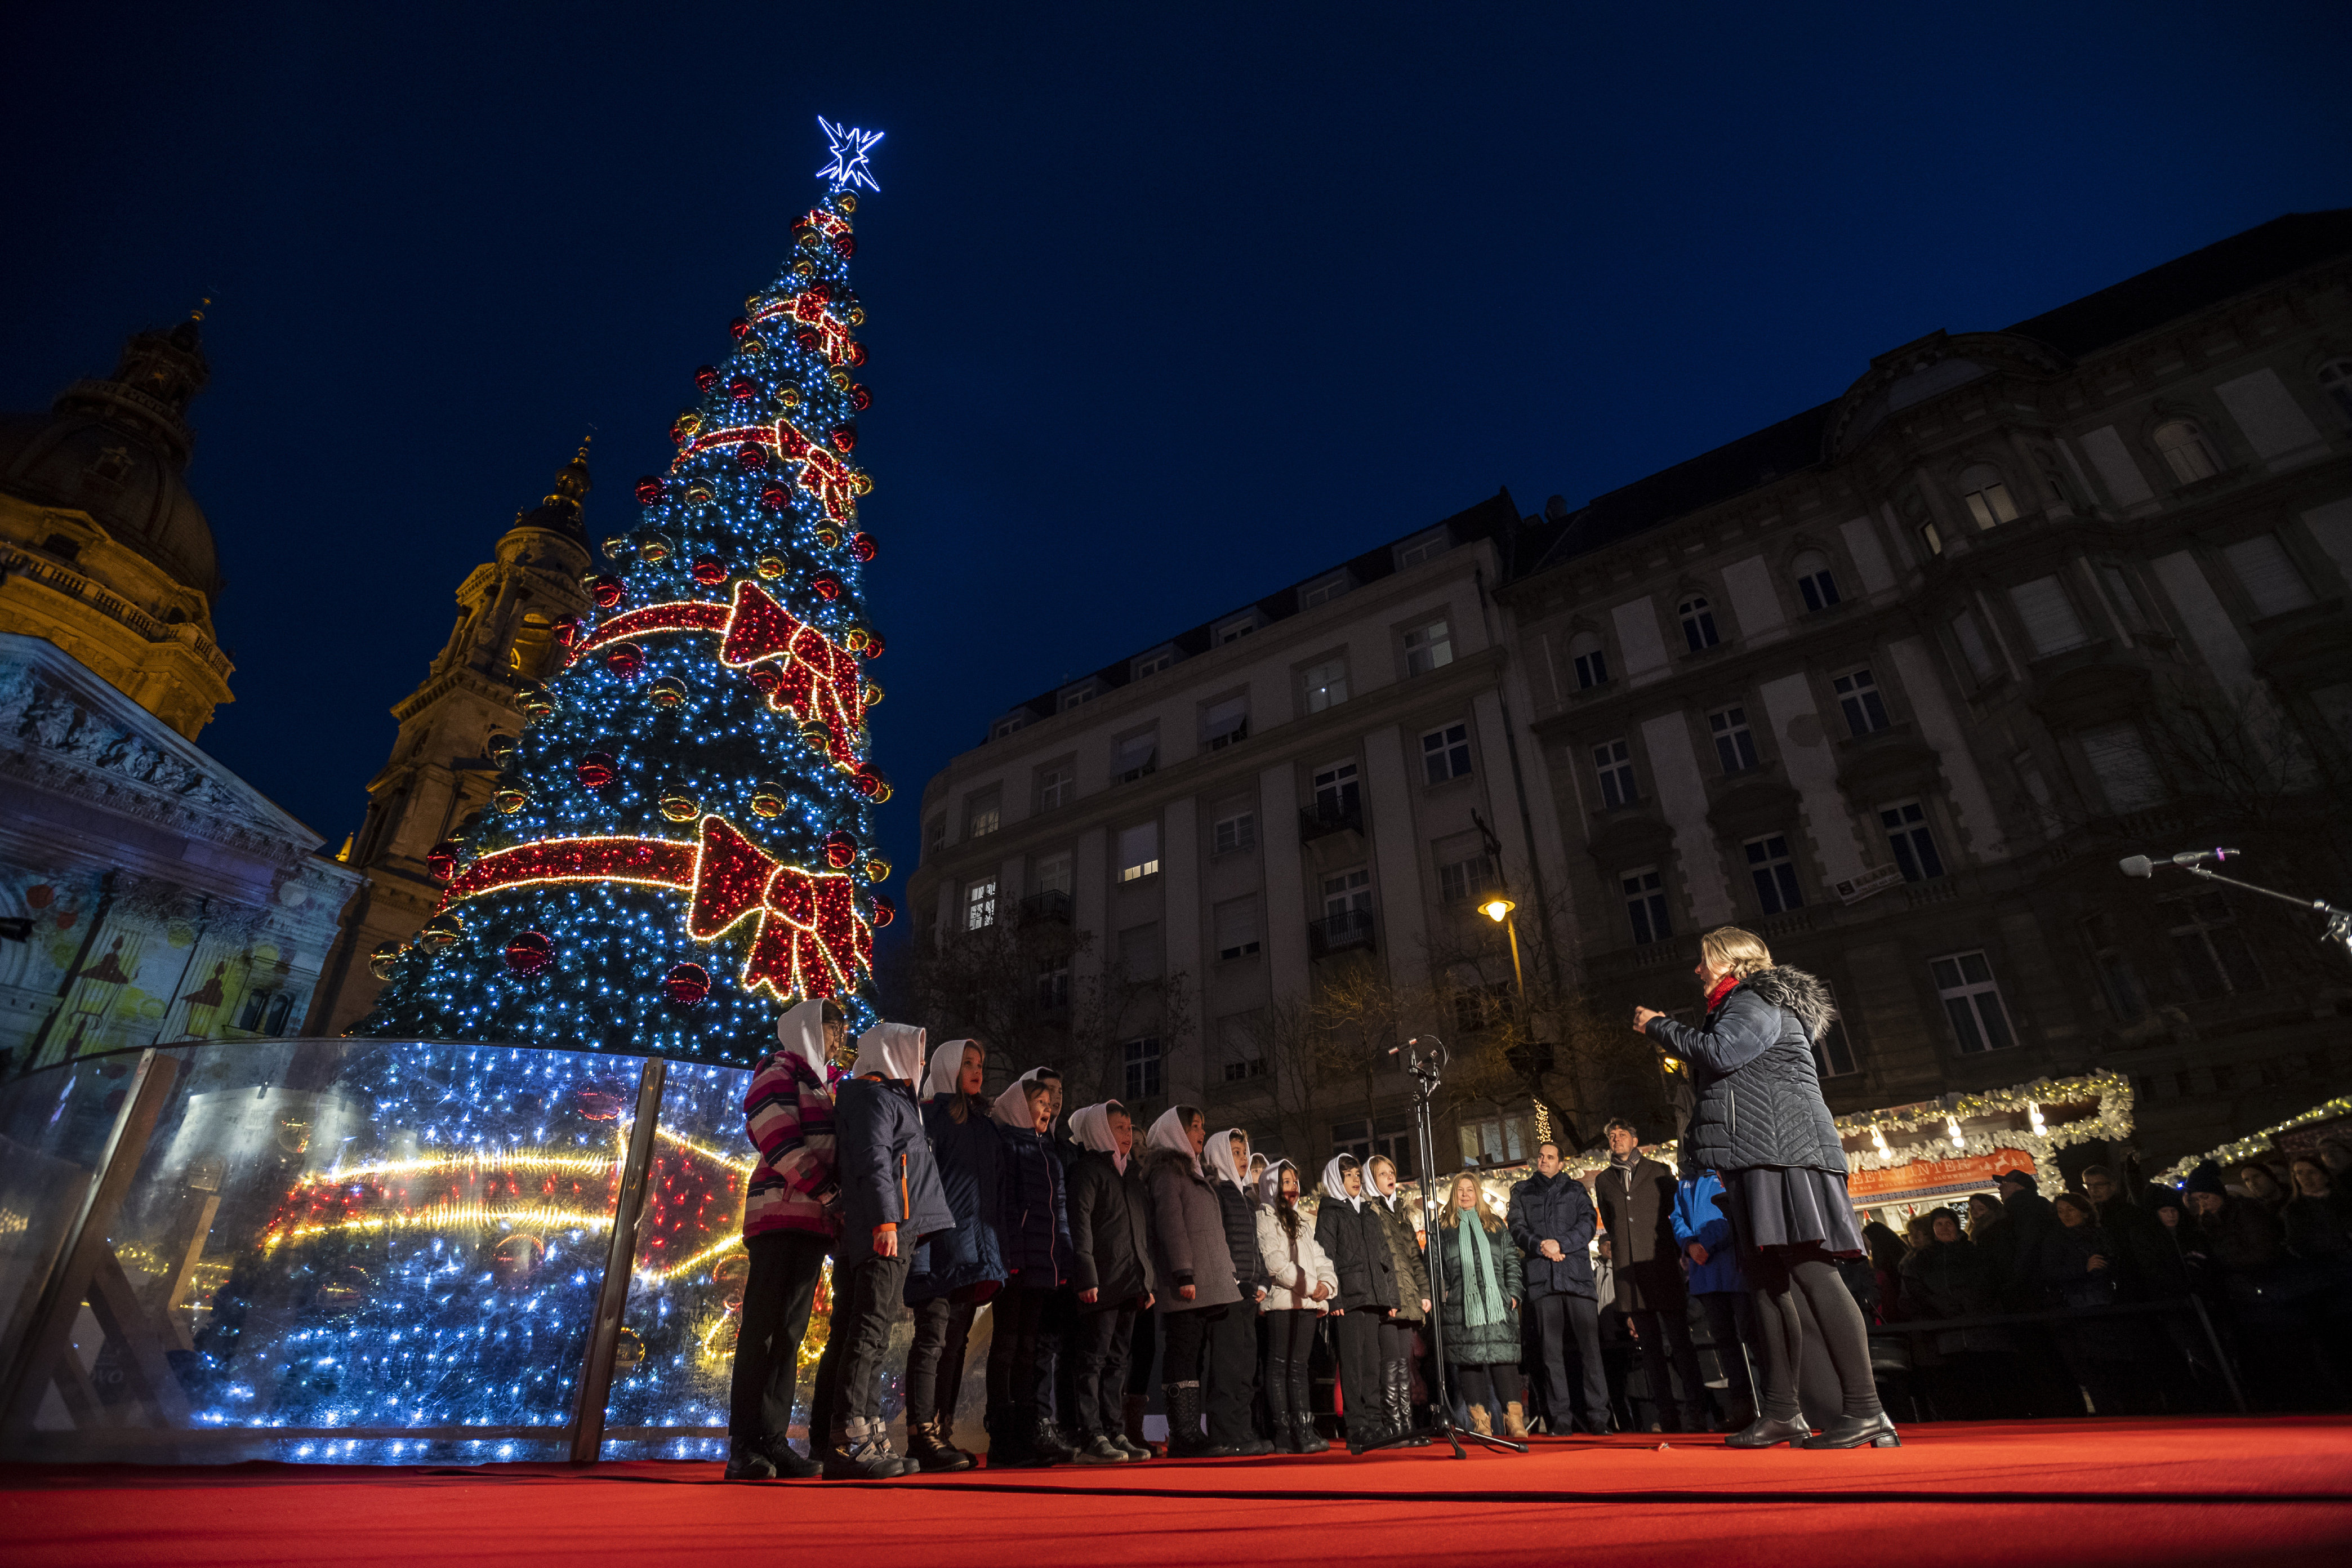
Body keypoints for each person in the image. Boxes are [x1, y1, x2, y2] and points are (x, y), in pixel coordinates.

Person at [1637, 926, 1896, 1449]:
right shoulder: (1740, 1002)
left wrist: (1660, 1027)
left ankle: (1868, 1410)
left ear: (1734, 962)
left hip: (1785, 1153)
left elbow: (1723, 1053)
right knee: (1765, 1281)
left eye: (1705, 960)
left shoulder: (1755, 997)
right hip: (1756, 1152)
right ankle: (1782, 1412)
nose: (1697, 969)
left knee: (1812, 1271)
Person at [825, 1020, 953, 1478]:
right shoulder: (871, 1097)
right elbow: (874, 1159)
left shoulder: (894, 1099)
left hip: (901, 1227)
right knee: (868, 1330)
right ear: (892, 1051)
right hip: (885, 1228)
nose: (921, 1063)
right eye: (916, 1052)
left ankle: (870, 1431)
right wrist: (885, 1219)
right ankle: (848, 1440)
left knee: (877, 1335)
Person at [727, 998, 846, 1481]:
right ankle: (744, 1444)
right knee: (763, 1327)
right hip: (779, 1214)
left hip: (814, 1220)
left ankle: (772, 1438)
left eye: (840, 1029)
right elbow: (775, 1137)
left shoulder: (831, 1083)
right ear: (810, 1029)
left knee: (791, 1332)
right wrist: (829, 1191)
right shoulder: (779, 1070)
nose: (839, 1037)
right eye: (833, 1028)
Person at [899, 1037, 1001, 1473]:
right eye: (968, 1064)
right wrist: (921, 1247)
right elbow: (921, 1185)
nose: (977, 1071)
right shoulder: (932, 1118)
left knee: (955, 1343)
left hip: (973, 1250)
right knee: (932, 1340)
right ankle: (920, 1433)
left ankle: (942, 1430)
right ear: (947, 1070)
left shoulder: (984, 1123)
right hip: (938, 1244)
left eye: (980, 1064)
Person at [983, 1067, 1072, 1467]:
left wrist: (1062, 1260)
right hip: (1017, 1263)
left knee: (1028, 1349)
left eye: (1049, 1105)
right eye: (1039, 1103)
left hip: (1043, 1265)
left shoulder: (1046, 1149)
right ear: (1021, 1104)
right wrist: (1012, 1258)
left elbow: (1059, 1213)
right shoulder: (1007, 1145)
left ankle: (1025, 1432)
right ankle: (1002, 1435)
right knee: (1007, 1346)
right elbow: (1005, 1208)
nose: (1047, 1109)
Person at [1595, 1120, 1707, 1432]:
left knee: (1681, 1344)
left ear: (1635, 1140)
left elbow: (1674, 1215)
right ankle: (1667, 1416)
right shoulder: (1604, 1180)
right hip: (1630, 1276)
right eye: (1612, 1137)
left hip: (1662, 1267)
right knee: (1651, 1351)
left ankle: (1697, 1412)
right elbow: (1612, 1218)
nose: (1616, 1140)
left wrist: (1680, 1255)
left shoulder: (1659, 1171)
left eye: (1622, 1135)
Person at [1145, 1105, 1242, 1456]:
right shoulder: (1168, 1173)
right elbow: (1171, 1225)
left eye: (1202, 1126)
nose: (1202, 1132)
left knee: (1194, 1352)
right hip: (1184, 1283)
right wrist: (1184, 1272)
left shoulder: (1192, 1169)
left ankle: (1191, 1430)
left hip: (1204, 1282)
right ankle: (1183, 1433)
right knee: (1183, 1352)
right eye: (1195, 1127)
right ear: (1176, 1131)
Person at [1066, 1101, 1155, 1464]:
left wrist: (1147, 1280)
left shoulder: (1131, 1174)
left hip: (1130, 1281)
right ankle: (1090, 1434)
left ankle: (1114, 1430)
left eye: (1130, 1129)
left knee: (1119, 1360)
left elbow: (1142, 1232)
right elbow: (1080, 1226)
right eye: (1120, 1128)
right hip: (1101, 1281)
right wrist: (1086, 1275)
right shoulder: (1087, 1171)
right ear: (1102, 1130)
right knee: (1093, 1359)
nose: (1128, 1136)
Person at [1507, 1139, 1609, 1434]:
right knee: (1551, 1355)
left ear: (1561, 1163)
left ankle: (1598, 1416)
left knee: (1590, 1351)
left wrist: (1561, 1244)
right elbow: (1516, 1226)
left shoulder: (1576, 1190)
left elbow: (1588, 1223)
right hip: (1542, 1281)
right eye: (1540, 1156)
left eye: (1551, 1157)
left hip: (1576, 1278)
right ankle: (1560, 1419)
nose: (1544, 1160)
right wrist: (1541, 1246)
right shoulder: (1522, 1191)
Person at [1316, 1152, 1400, 1451]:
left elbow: (1384, 1257)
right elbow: (1325, 1258)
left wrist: (1389, 1296)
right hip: (1348, 1300)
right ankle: (1357, 1426)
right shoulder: (1330, 1213)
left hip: (1372, 1299)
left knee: (1371, 1366)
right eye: (1348, 1175)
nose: (1355, 1179)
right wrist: (1334, 1296)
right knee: (1352, 1366)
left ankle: (1375, 1424)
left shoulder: (1368, 1212)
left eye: (1356, 1174)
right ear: (1336, 1180)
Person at [1435, 1172, 1527, 1437]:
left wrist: (1513, 1294)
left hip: (1498, 1304)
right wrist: (1447, 1296)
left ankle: (1515, 1422)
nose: (1465, 1195)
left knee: (1504, 1361)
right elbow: (1435, 1269)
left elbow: (1512, 1262)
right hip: (1461, 1307)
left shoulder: (1495, 1225)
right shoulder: (1441, 1228)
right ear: (1454, 1195)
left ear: (1477, 1194)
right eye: (1460, 1190)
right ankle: (1481, 1424)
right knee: (1470, 1363)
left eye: (1470, 1190)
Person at [1900, 1206, 2013, 1419]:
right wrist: (1940, 1308)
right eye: (1938, 1225)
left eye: (1948, 1223)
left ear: (1957, 1225)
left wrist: (1972, 1305)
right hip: (1946, 1335)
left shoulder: (1975, 1253)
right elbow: (1914, 1293)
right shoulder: (1920, 1261)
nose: (1944, 1228)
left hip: (1981, 1330)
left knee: (1989, 1381)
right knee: (1959, 1384)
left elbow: (1990, 1284)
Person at [1255, 1160, 1335, 1453]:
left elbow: (1320, 1257)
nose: (1293, 1188)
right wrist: (1310, 1285)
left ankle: (1304, 1428)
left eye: (1295, 1182)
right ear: (1273, 1186)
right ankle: (1284, 1431)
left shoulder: (1302, 1221)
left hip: (1306, 1304)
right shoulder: (1265, 1217)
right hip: (1281, 1304)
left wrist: (1326, 1286)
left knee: (1299, 1368)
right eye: (1286, 1182)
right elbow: (1275, 1263)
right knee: (1280, 1367)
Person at [1203, 1129, 1275, 1455]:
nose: (1244, 1159)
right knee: (1229, 1367)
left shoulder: (1247, 1196)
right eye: (1235, 1152)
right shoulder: (1217, 1192)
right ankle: (1224, 1433)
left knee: (1246, 1367)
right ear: (1219, 1155)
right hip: (1227, 1293)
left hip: (1248, 1294)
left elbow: (1255, 1247)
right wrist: (1233, 1281)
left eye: (1245, 1152)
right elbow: (1217, 1243)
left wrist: (1262, 1282)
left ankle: (1242, 1431)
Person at [1676, 1166, 1759, 1427]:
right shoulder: (1684, 1182)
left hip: (1735, 1269)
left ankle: (1770, 1404)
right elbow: (1677, 1218)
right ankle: (1742, 1409)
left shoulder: (1724, 1173)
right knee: (1725, 1343)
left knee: (1753, 1337)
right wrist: (1689, 1244)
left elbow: (1729, 1216)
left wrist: (1703, 1245)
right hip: (1706, 1274)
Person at [1367, 1153, 1433, 1445]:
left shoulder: (1400, 1216)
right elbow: (1379, 1260)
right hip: (1388, 1301)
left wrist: (1425, 1293)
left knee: (1405, 1366)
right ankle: (1393, 1428)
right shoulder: (1370, 1213)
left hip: (1408, 1300)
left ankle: (1407, 1426)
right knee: (1391, 1363)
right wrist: (1387, 1296)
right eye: (1383, 1174)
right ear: (1372, 1179)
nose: (1390, 1177)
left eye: (1392, 1172)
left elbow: (1415, 1261)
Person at [2284, 1157, 2351, 1260]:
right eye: (2299, 1173)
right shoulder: (2294, 1210)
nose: (2305, 1178)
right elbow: (2297, 1244)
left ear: (2325, 1175)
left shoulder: (2344, 1198)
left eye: (2311, 1172)